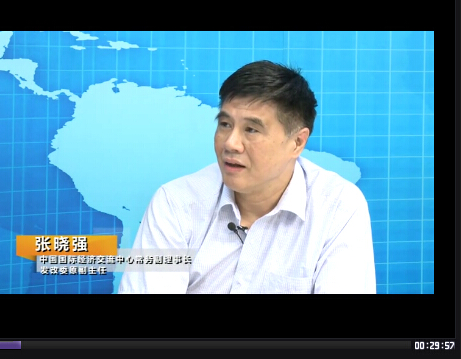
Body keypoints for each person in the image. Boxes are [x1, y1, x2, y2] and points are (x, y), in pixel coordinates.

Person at [118, 60, 376, 294]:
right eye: (225, 124)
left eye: (251, 129)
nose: (230, 143)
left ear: (297, 142)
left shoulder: (338, 208)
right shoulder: (176, 203)